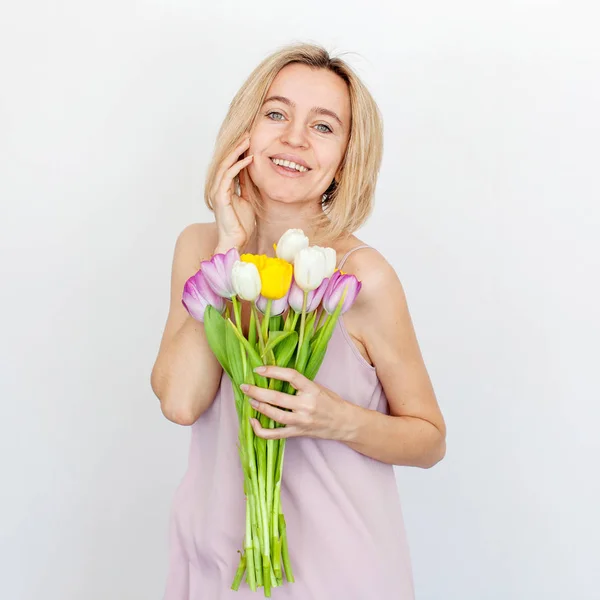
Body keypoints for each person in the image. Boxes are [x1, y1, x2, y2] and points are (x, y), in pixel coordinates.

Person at [151, 42, 446, 600]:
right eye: (276, 113)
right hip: (215, 559)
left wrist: (336, 418)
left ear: (347, 156)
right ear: (246, 130)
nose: (294, 139)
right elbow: (180, 403)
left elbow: (430, 439)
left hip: (334, 571)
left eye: (324, 126)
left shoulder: (360, 278)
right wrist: (228, 250)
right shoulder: (202, 247)